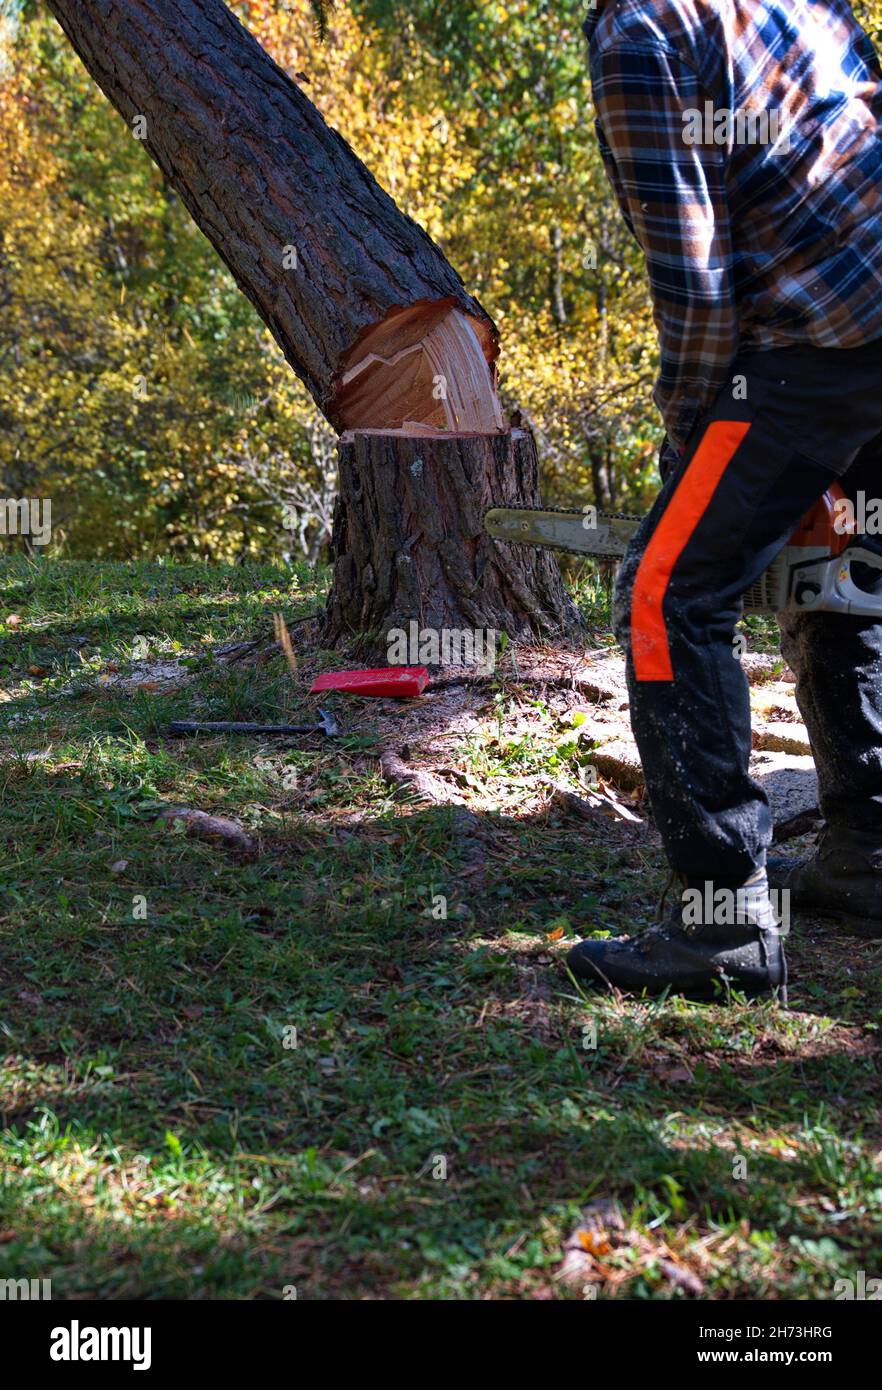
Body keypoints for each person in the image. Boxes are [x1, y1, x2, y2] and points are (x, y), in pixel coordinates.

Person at [567, 0, 882, 999]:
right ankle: (869, 852)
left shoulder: (636, 37)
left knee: (667, 588)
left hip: (817, 339)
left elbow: (694, 285)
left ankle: (723, 928)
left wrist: (688, 431)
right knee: (843, 551)